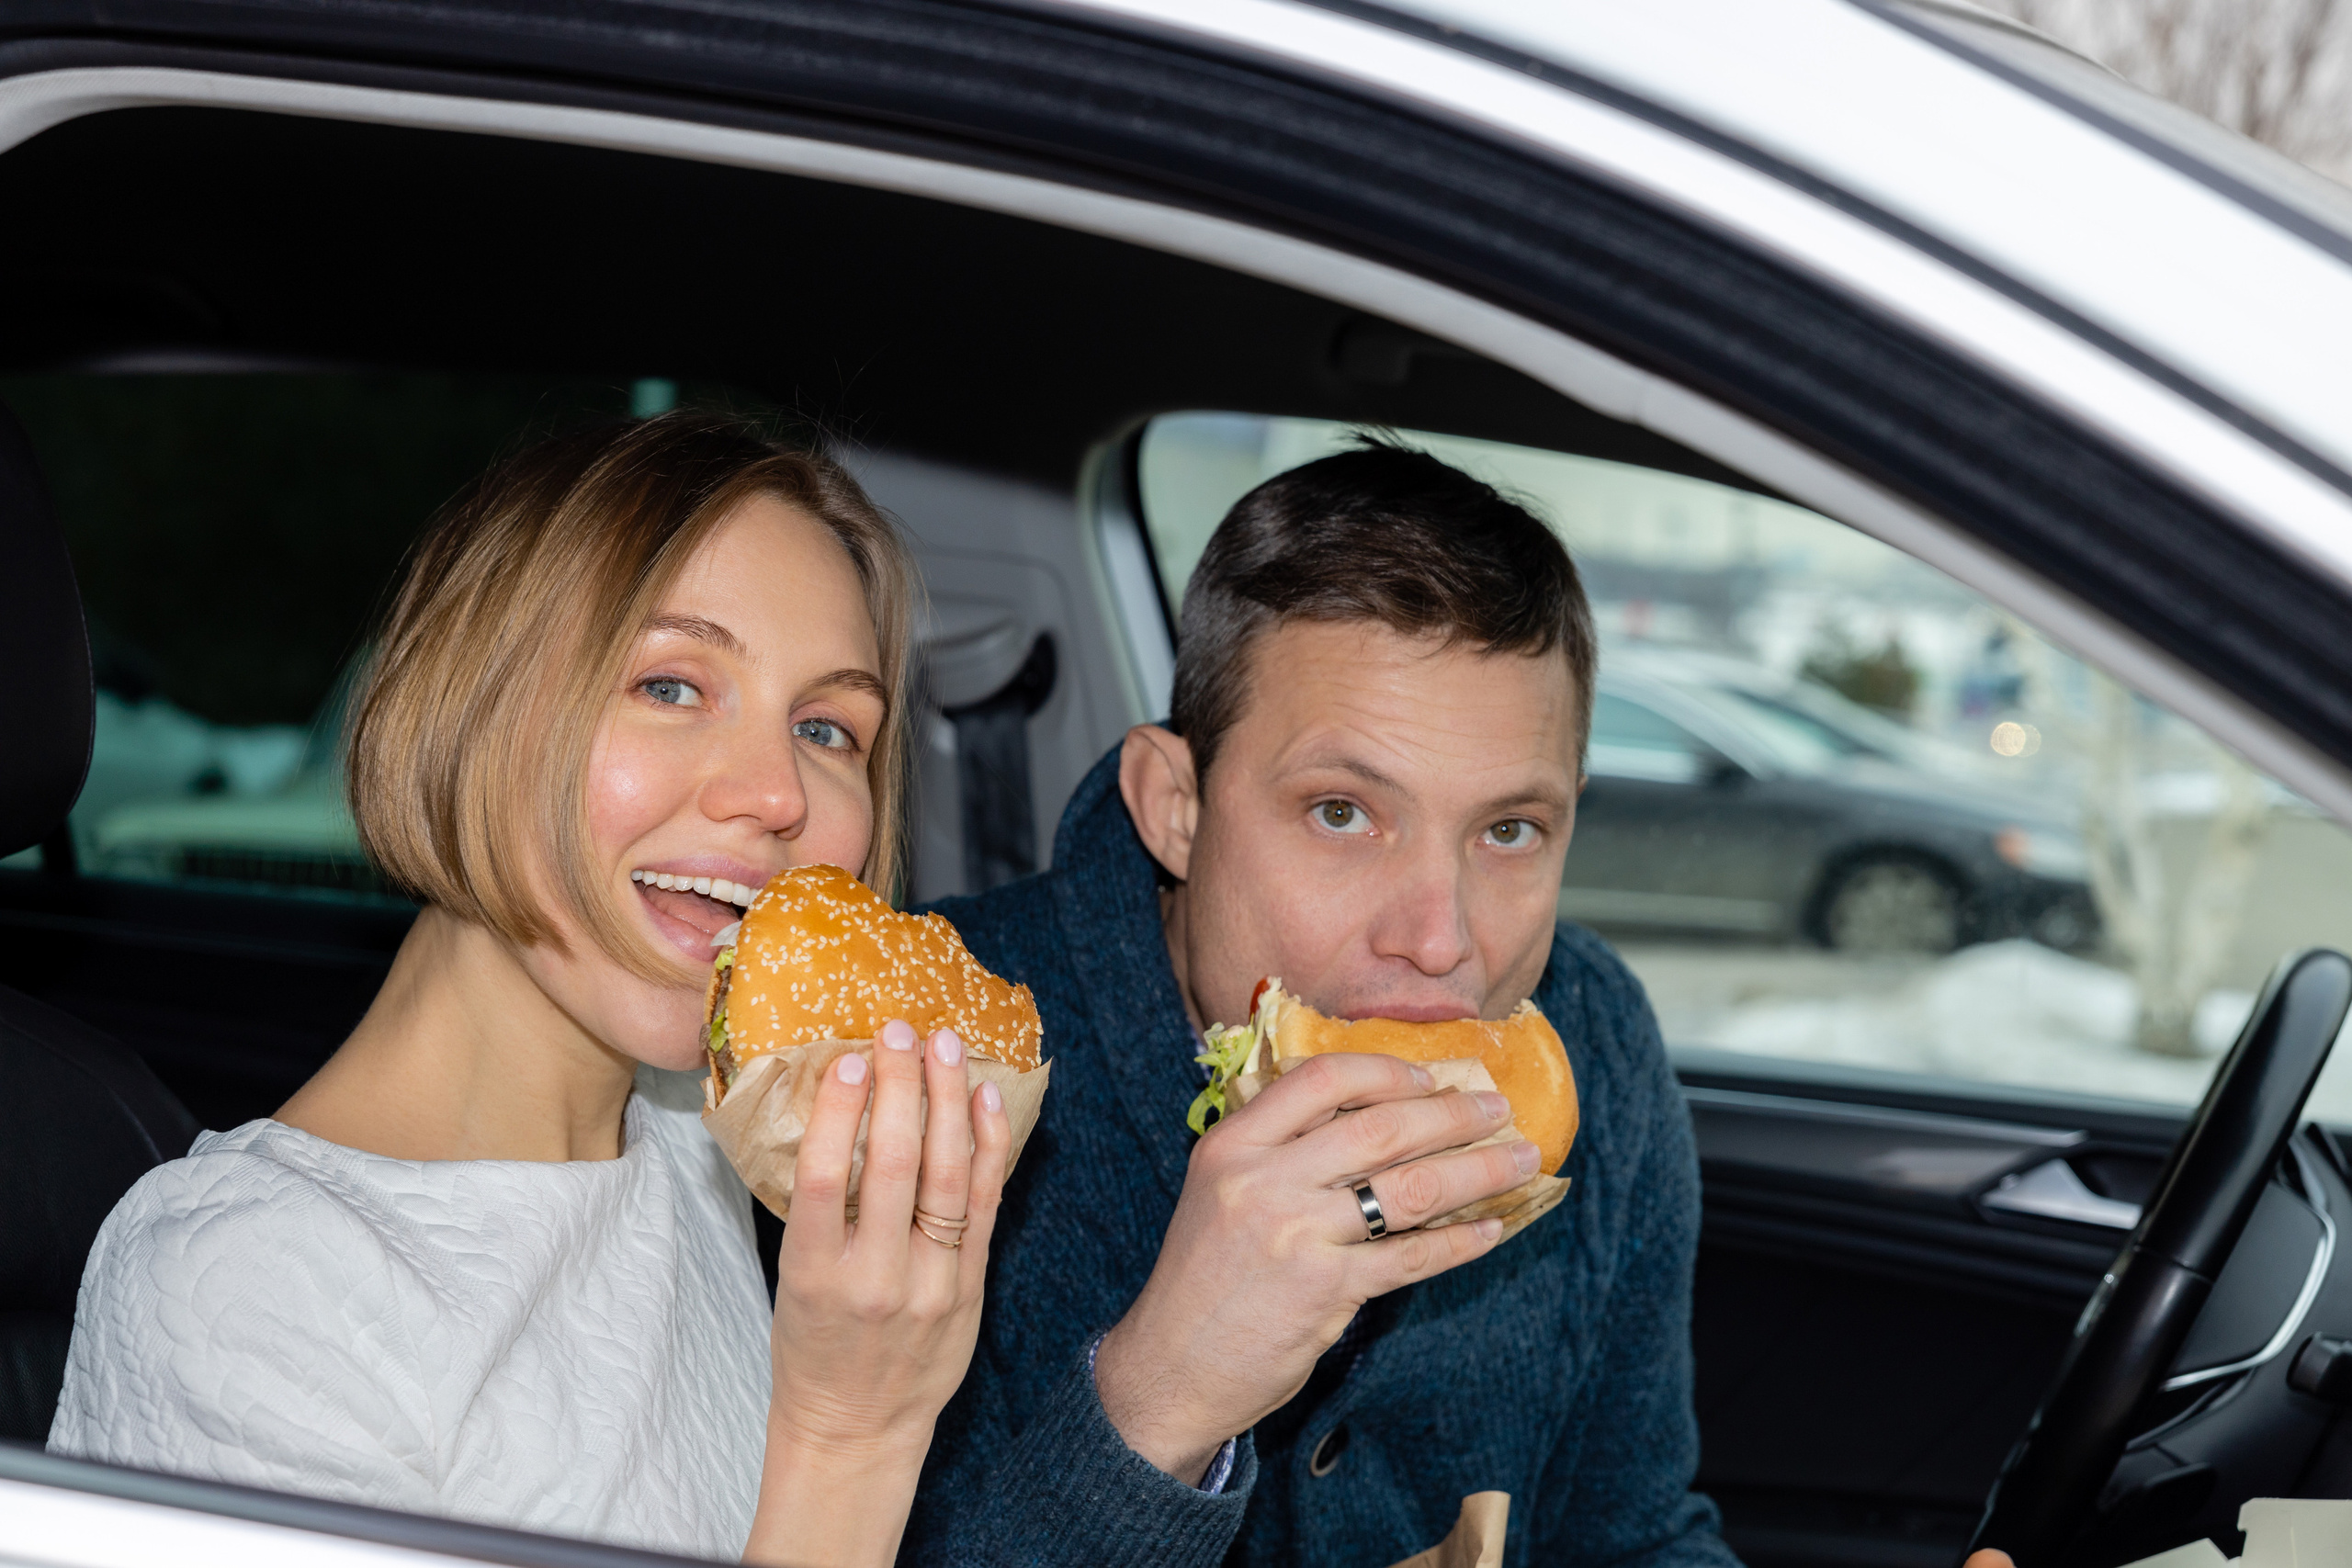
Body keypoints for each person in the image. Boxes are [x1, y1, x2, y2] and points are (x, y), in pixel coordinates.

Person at [49, 413, 1008, 1568]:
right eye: (670, 684)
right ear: (471, 704)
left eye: (825, 727)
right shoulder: (243, 1296)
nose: (775, 795)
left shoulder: (691, 1138)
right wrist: (851, 1439)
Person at [902, 439, 1740, 1566]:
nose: (1441, 942)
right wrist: (1160, 1399)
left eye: (1509, 831)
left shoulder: (1595, 1039)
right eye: (1342, 813)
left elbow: (1632, 1538)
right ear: (1175, 807)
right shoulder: (929, 1051)